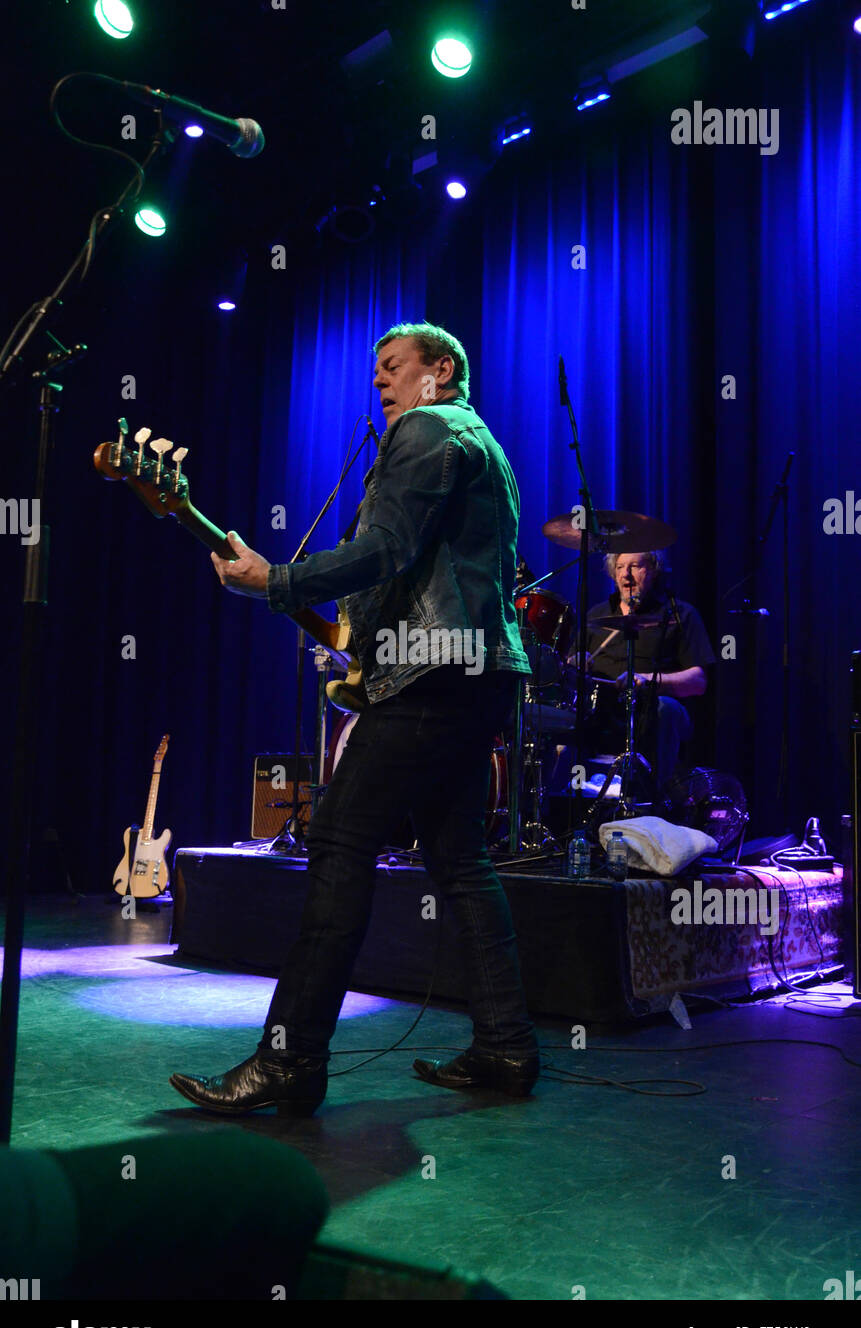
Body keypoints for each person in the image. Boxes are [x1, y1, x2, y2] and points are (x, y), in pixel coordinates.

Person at [169, 322, 539, 1117]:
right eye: (376, 372)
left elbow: (386, 548)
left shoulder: (428, 427)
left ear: (440, 371)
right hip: (476, 672)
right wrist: (354, 642)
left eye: (393, 367)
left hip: (431, 678)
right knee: (461, 863)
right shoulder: (483, 442)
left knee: (338, 846)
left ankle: (291, 1058)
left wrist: (278, 578)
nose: (379, 382)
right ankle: (507, 1047)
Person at [561, 550, 715, 791]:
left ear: (654, 570)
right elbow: (569, 667)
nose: (626, 575)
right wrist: (576, 661)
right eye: (620, 567)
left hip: (655, 709)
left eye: (635, 566)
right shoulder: (597, 615)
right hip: (602, 709)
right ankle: (560, 807)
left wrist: (648, 680)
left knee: (667, 709)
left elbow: (698, 681)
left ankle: (656, 800)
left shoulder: (679, 614)